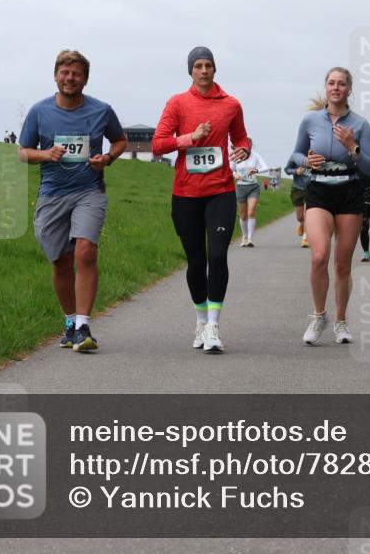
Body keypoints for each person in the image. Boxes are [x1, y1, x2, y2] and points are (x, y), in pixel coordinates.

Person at [18, 50, 127, 353]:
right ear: (56, 75)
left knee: (86, 251)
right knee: (60, 261)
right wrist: (45, 154)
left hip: (89, 191)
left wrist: (107, 158)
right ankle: (69, 323)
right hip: (52, 195)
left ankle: (83, 325)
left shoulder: (101, 110)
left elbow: (120, 141)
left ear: (85, 79)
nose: (70, 78)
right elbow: (22, 151)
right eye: (65, 73)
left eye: (76, 73)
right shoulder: (40, 111)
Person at [152, 46, 250, 353]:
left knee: (218, 257)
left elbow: (242, 137)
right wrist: (189, 138)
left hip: (220, 191)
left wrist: (244, 149)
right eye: (198, 66)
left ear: (215, 69)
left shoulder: (231, 104)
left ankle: (213, 325)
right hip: (186, 194)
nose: (204, 70)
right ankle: (199, 320)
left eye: (208, 65)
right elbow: (158, 144)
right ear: (190, 71)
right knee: (196, 261)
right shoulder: (178, 103)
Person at [290, 67, 370, 345]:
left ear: (349, 89)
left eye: (341, 84)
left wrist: (354, 147)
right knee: (319, 256)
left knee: (342, 264)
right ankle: (318, 316)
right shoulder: (310, 120)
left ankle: (340, 321)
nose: (336, 88)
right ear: (325, 87)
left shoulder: (361, 124)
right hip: (319, 192)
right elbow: (294, 156)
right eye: (331, 83)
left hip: (349, 193)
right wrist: (307, 162)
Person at [230, 137, 269, 247]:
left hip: (253, 187)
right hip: (241, 187)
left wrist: (256, 170)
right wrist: (235, 175)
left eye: (249, 145)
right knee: (243, 215)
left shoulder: (255, 156)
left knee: (251, 211)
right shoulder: (236, 156)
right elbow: (230, 170)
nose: (247, 147)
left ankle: (250, 239)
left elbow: (265, 167)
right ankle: (245, 237)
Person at [284, 156, 311, 248]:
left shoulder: (318, 152)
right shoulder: (296, 156)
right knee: (300, 217)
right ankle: (301, 223)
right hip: (298, 189)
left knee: (307, 213)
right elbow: (287, 170)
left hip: (312, 189)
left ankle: (305, 237)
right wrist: (296, 171)